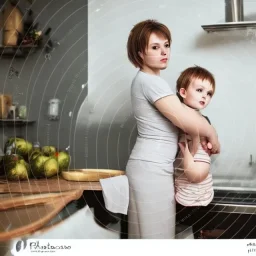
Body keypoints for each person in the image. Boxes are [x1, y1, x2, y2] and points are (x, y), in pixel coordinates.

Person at [126, 19, 220, 239]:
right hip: (151, 170)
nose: (164, 52)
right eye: (155, 47)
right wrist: (213, 134)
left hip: (152, 168)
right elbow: (185, 120)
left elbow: (187, 115)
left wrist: (205, 132)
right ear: (140, 53)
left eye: (166, 45)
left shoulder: (150, 81)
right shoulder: (150, 82)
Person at [174, 66, 217, 239]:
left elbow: (210, 142)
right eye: (199, 90)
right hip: (189, 175)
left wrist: (211, 143)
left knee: (200, 223)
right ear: (183, 92)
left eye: (209, 93)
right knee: (186, 223)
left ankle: (199, 235)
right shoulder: (180, 114)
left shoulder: (204, 119)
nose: (204, 96)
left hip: (203, 182)